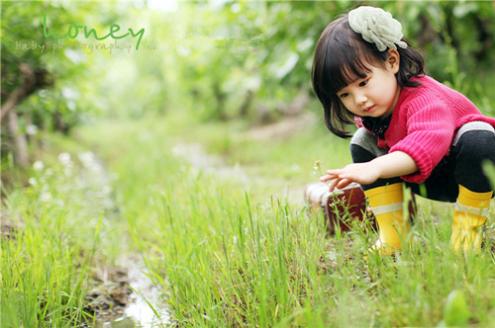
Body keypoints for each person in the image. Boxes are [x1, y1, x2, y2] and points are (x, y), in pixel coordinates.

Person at [311, 6, 495, 255]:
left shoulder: (423, 98)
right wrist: (370, 164)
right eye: (346, 94)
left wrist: (374, 167)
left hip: (481, 171)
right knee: (363, 140)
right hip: (431, 178)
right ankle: (394, 233)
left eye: (364, 82)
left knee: (478, 135)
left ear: (392, 61)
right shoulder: (376, 112)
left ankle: (467, 234)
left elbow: (426, 143)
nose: (360, 99)